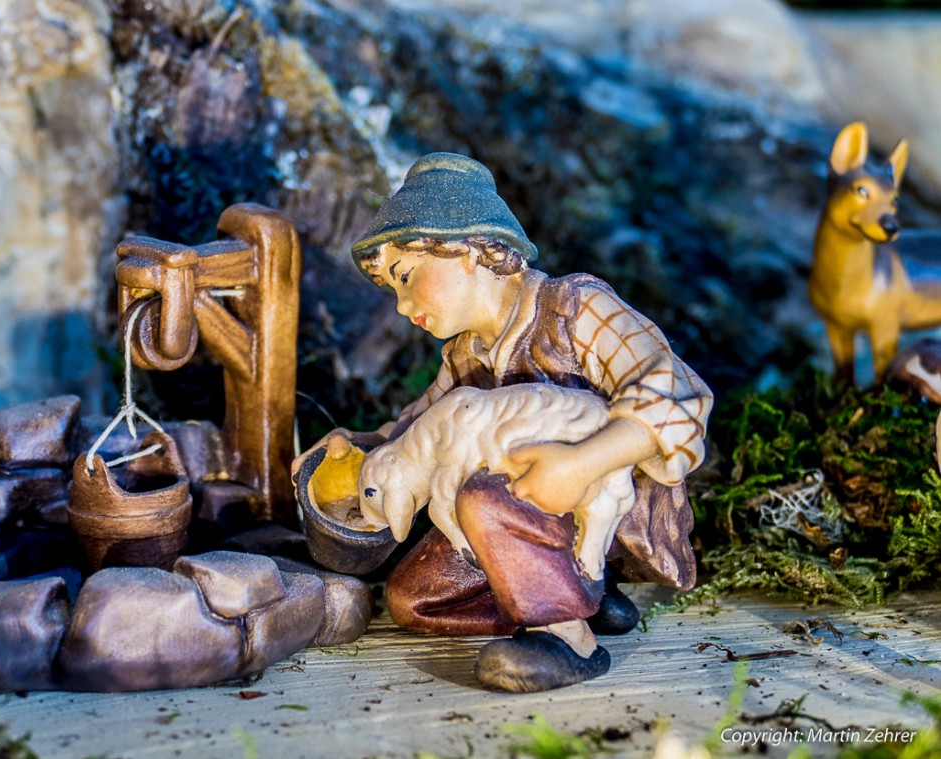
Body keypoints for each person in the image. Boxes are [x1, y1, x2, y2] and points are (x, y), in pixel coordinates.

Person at [295, 152, 713, 693]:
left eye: (406, 278)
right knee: (415, 597)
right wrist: (356, 447)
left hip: (602, 503)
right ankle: (574, 593)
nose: (401, 306)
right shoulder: (466, 356)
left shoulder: (576, 309)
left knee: (482, 497)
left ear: (467, 250)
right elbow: (416, 433)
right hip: (518, 520)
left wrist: (583, 461)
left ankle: (567, 636)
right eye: (392, 290)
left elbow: (679, 392)